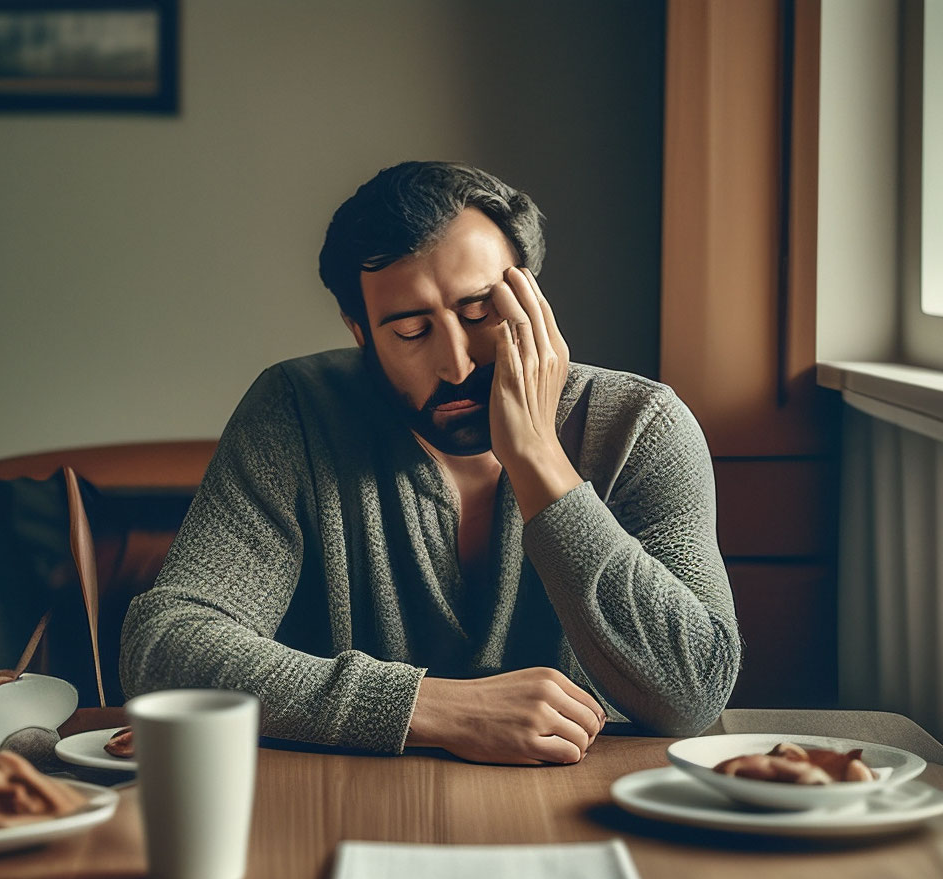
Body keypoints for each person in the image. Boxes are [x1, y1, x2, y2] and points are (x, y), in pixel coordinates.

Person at [120, 161, 740, 765]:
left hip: (586, 802)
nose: (458, 364)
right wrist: (431, 709)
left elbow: (694, 691)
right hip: (342, 810)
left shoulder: (641, 426)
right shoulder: (296, 412)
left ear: (530, 295)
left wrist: (537, 457)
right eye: (412, 332)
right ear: (359, 331)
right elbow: (166, 651)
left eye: (480, 314)